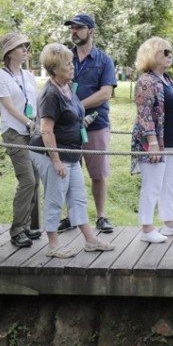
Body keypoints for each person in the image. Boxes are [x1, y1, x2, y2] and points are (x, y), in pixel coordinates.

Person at [30, 43, 116, 258]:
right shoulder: (50, 94)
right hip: (51, 153)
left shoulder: (67, 87)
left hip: (71, 151)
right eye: (67, 64)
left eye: (71, 63)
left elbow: (73, 115)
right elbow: (46, 130)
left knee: (78, 197)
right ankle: (53, 245)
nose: (72, 67)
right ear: (54, 69)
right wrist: (56, 161)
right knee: (55, 197)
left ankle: (90, 240)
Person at [131, 37, 173, 244]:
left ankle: (169, 222)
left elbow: (166, 106)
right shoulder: (146, 81)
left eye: (170, 52)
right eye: (165, 52)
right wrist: (152, 142)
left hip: (171, 141)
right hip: (155, 142)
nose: (170, 55)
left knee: (170, 183)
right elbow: (145, 114)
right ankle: (147, 228)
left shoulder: (166, 79)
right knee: (152, 185)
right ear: (152, 54)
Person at [62, 13, 117, 234]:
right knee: (68, 171)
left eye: (79, 28)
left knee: (98, 174)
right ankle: (71, 216)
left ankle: (101, 216)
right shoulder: (65, 58)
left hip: (96, 124)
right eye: (72, 28)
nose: (74, 31)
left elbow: (106, 93)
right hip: (67, 126)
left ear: (91, 31)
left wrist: (78, 106)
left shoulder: (104, 60)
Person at [0, 32, 42, 248]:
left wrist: (38, 123)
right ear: (9, 53)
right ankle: (17, 229)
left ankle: (28, 225)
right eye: (20, 47)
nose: (25, 50)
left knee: (35, 180)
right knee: (27, 180)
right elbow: (9, 107)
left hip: (32, 132)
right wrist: (29, 123)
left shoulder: (28, 76)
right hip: (15, 132)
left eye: (25, 46)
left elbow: (35, 102)